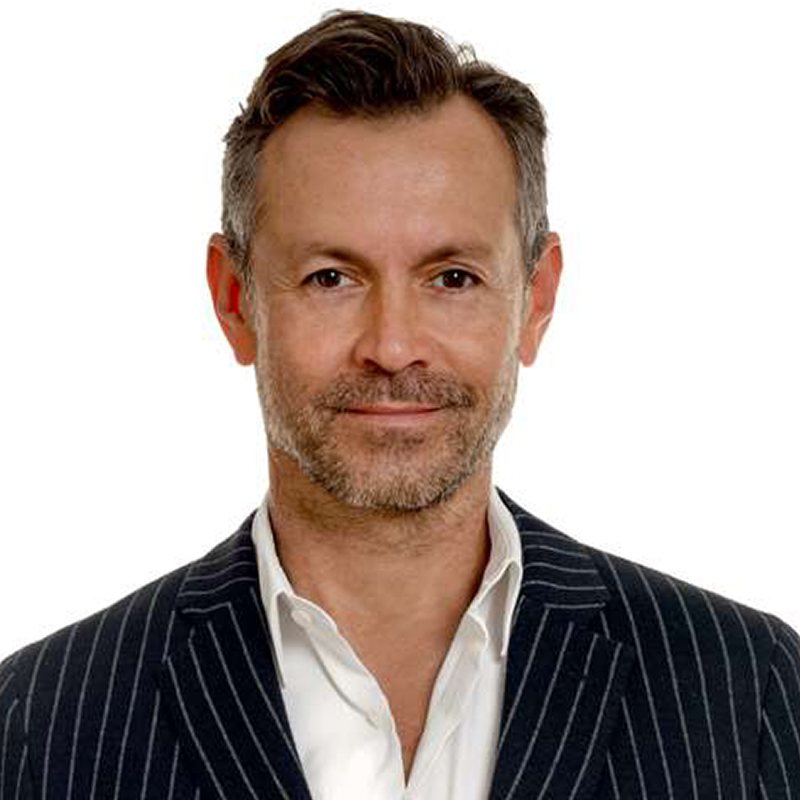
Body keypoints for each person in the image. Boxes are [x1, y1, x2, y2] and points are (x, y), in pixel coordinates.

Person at [1, 9, 798, 799]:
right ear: (235, 300)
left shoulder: (744, 691)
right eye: (330, 278)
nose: (391, 346)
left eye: (452, 278)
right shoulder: (43, 723)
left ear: (537, 299)